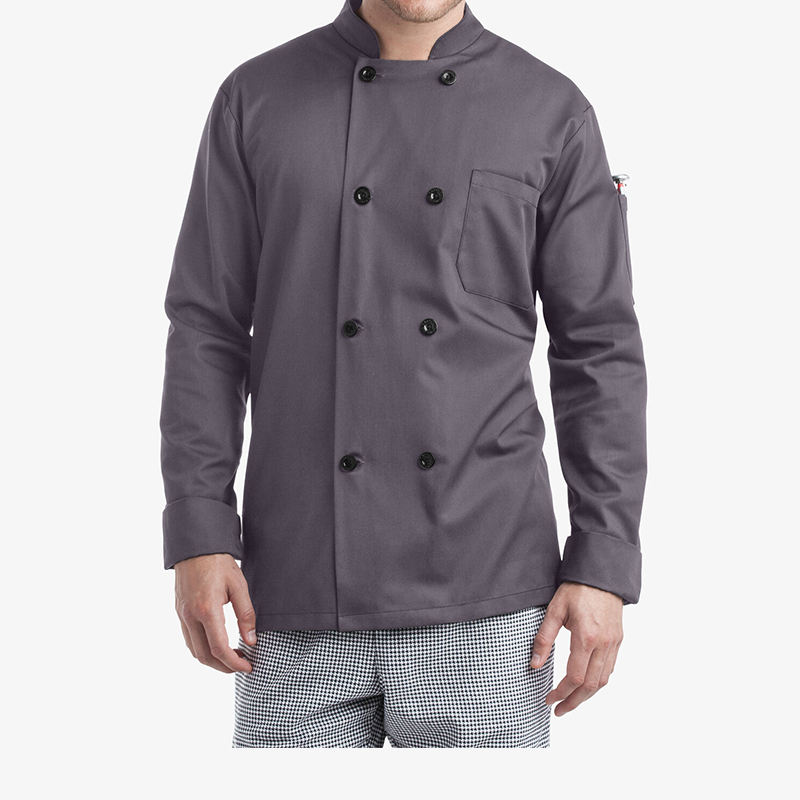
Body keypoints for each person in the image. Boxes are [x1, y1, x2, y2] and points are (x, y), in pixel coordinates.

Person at [160, 0, 647, 748]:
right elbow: (207, 329)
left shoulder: (551, 110)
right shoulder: (255, 99)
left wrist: (603, 561)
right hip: (292, 593)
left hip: (490, 598)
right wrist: (200, 532)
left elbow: (599, 349)